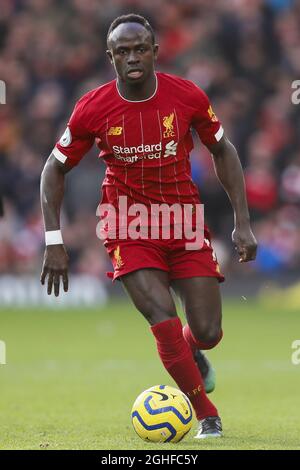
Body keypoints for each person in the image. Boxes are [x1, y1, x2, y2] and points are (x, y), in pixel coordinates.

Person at [40, 14, 257, 439]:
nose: (133, 57)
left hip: (183, 222)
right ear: (111, 58)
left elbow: (223, 149)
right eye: (123, 51)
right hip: (127, 224)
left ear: (155, 51)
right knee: (161, 316)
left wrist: (242, 222)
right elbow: (54, 168)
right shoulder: (93, 107)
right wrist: (54, 240)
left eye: (140, 48)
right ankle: (206, 413)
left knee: (209, 332)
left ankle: (194, 349)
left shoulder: (188, 96)